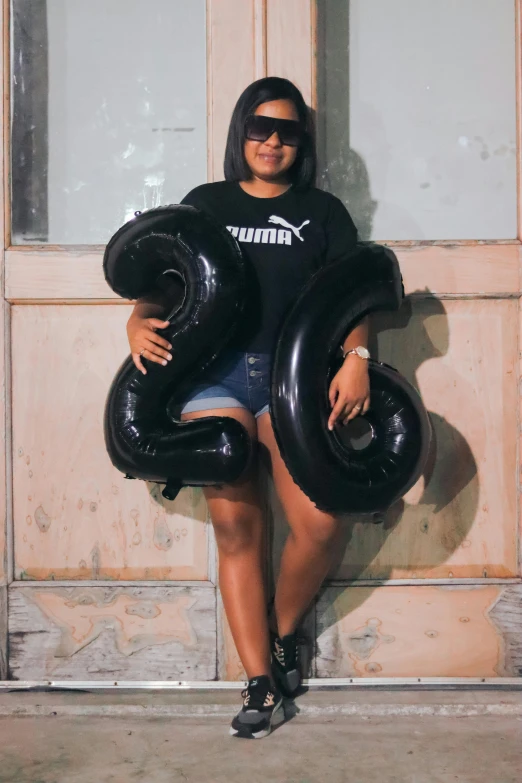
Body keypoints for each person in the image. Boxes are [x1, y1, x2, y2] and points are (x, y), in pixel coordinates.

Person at [126, 77, 370, 739]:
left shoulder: (323, 213)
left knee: (319, 525)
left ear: (301, 142)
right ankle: (260, 680)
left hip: (291, 385)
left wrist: (358, 357)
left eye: (287, 131)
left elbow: (353, 299)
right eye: (260, 127)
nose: (272, 141)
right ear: (241, 133)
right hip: (215, 379)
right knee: (239, 531)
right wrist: (138, 321)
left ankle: (284, 632)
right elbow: (165, 277)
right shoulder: (206, 204)